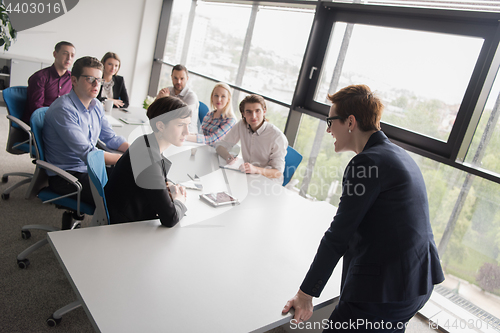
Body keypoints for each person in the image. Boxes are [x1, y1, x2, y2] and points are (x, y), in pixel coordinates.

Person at [282, 85, 444, 332]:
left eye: (330, 121)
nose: (328, 129)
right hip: (417, 282)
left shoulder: (366, 163)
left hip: (385, 293)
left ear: (350, 121)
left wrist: (306, 293)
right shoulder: (398, 155)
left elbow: (338, 236)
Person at [43, 56, 129, 206]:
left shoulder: (95, 105)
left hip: (89, 168)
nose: (96, 84)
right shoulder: (63, 110)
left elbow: (110, 138)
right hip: (67, 176)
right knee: (123, 196)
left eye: (99, 79)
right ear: (74, 81)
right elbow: (89, 153)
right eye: (90, 79)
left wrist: (136, 151)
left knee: (133, 182)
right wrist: (127, 160)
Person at [105, 96, 190, 227]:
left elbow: (156, 177)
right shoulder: (149, 158)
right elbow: (170, 218)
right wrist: (179, 200)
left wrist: (168, 185)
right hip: (124, 226)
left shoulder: (146, 141)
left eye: (188, 125)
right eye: (180, 125)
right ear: (161, 126)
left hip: (126, 211)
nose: (187, 132)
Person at [215, 94, 288, 183]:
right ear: (243, 114)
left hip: (268, 183)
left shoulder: (277, 137)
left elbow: (278, 173)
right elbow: (220, 146)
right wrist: (227, 156)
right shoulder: (242, 125)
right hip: (247, 178)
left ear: (264, 111)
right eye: (249, 111)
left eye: (257, 111)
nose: (253, 116)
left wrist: (255, 169)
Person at [23, 41, 76, 123]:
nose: (69, 58)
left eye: (72, 55)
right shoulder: (40, 77)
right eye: (65, 54)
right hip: (40, 121)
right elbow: (37, 109)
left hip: (61, 120)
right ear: (55, 54)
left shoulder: (73, 79)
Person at [155, 64, 199, 133]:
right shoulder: (167, 90)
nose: (178, 82)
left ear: (187, 78)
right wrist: (158, 100)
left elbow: (180, 118)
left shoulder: (191, 96)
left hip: (187, 134)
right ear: (171, 77)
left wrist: (166, 100)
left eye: (182, 78)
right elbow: (154, 111)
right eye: (175, 78)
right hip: (170, 130)